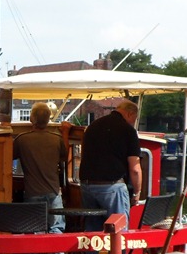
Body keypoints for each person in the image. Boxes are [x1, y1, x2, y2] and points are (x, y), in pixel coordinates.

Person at [79, 98, 142, 234]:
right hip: (111, 187)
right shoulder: (128, 131)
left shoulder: (92, 126)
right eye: (135, 119)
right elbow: (135, 168)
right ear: (130, 114)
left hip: (87, 186)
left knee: (92, 232)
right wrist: (137, 193)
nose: (133, 122)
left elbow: (83, 155)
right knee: (118, 229)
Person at [13, 102, 68, 234]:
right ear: (49, 119)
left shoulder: (22, 140)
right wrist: (65, 132)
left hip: (33, 192)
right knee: (56, 228)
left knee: (34, 229)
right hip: (54, 191)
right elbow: (64, 156)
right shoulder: (56, 139)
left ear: (32, 119)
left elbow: (7, 158)